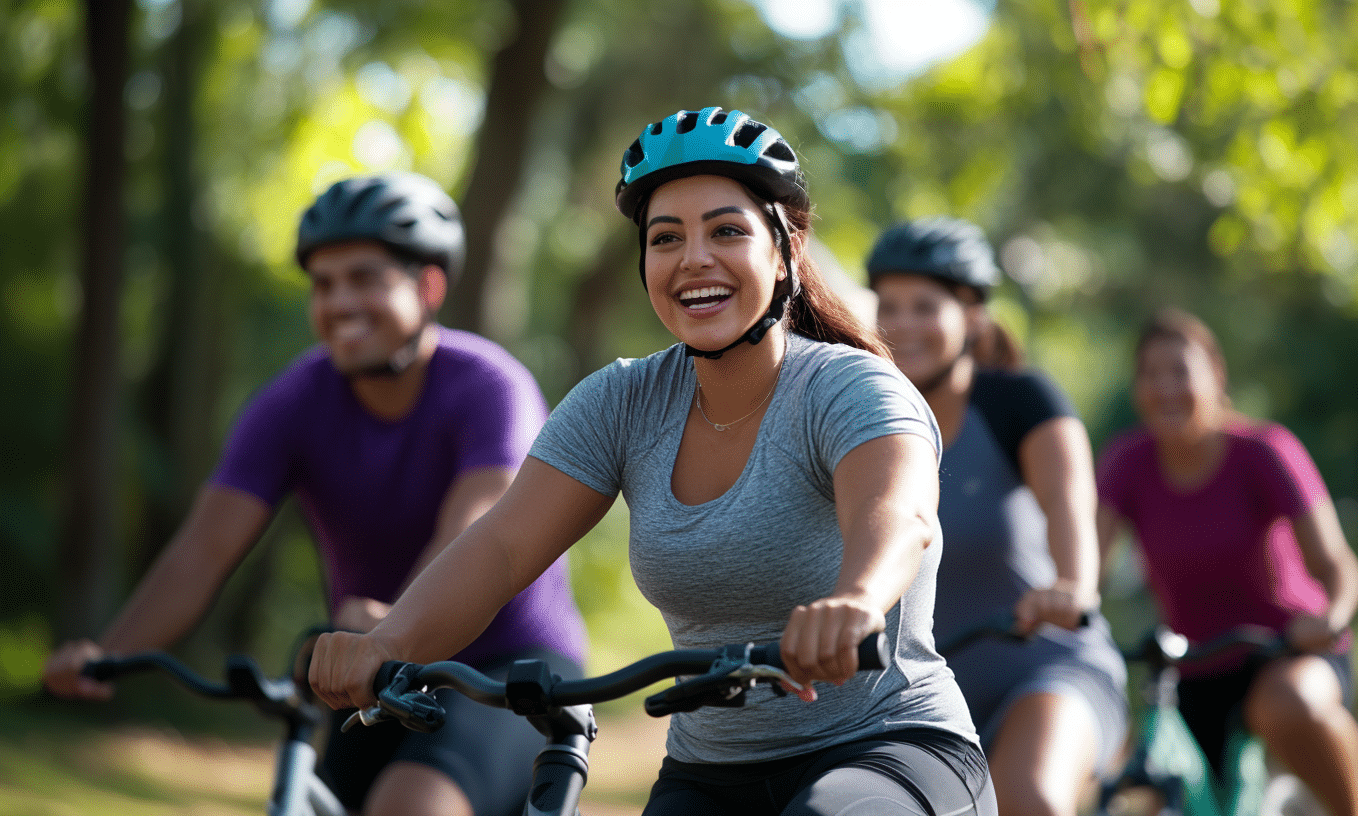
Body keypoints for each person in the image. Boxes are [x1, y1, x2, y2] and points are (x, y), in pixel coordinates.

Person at [309, 107, 995, 816]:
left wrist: (855, 602)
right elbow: (503, 547)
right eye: (666, 238)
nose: (693, 257)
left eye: (726, 230)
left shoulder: (851, 387)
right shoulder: (623, 401)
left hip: (886, 750)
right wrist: (386, 644)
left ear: (786, 246)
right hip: (708, 775)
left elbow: (897, 514)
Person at [42, 172, 588, 816]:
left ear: (429, 286)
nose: (340, 303)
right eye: (324, 285)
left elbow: (474, 526)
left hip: (507, 666)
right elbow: (203, 549)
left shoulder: (489, 386)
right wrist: (110, 653)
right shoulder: (294, 402)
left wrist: (391, 621)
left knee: (411, 806)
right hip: (373, 665)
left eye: (365, 278)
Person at [868, 217, 1127, 816]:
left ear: (974, 315)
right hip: (915, 699)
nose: (902, 325)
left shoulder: (1020, 401)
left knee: (1029, 799)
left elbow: (1070, 509)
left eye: (925, 306)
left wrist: (1073, 586)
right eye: (889, 307)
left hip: (1046, 670)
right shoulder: (860, 419)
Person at [1095, 307, 1358, 816]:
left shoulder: (1265, 450)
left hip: (1286, 649)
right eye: (1150, 375)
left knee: (1289, 705)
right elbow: (1087, 567)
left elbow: (1336, 563)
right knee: (1149, 784)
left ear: (1216, 375)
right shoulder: (1126, 462)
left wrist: (1331, 616)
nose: (1165, 387)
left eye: (1180, 371)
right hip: (1192, 666)